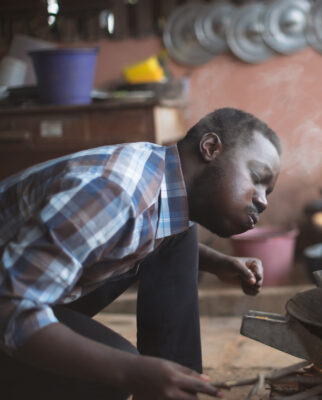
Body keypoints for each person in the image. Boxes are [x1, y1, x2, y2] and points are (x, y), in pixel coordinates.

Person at [0, 107, 282, 399]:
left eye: (268, 192)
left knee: (180, 231)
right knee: (110, 374)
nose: (263, 202)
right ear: (210, 148)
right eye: (257, 177)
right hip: (9, 301)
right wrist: (129, 371)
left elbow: (132, 230)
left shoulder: (158, 175)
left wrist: (216, 263)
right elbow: (9, 307)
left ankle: (179, 387)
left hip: (26, 283)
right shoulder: (113, 192)